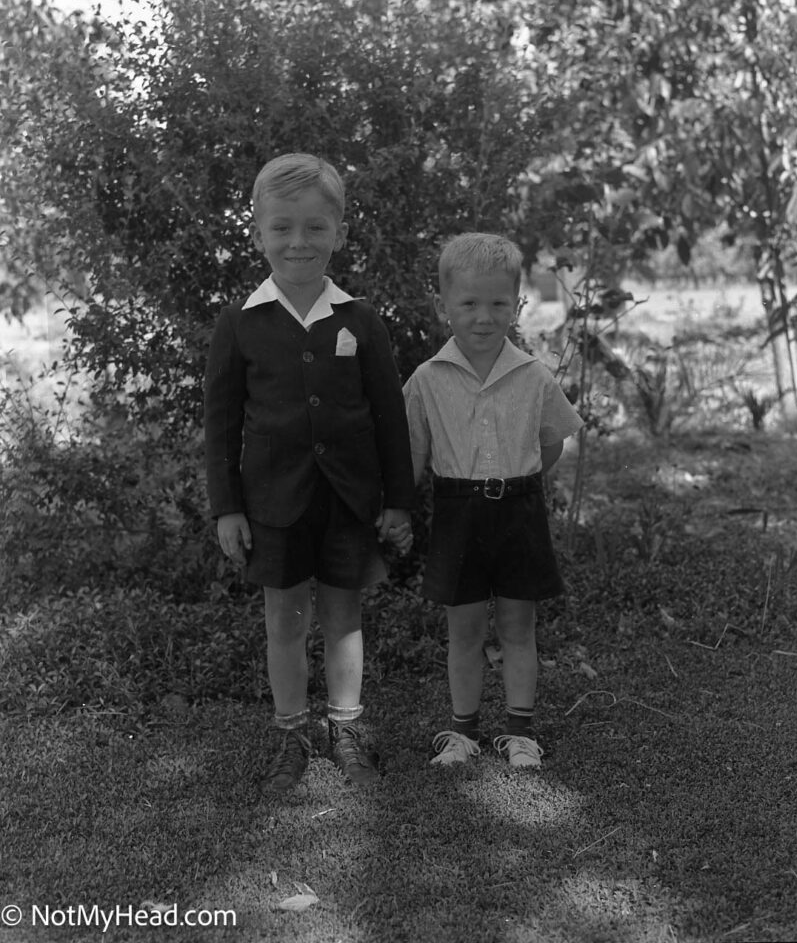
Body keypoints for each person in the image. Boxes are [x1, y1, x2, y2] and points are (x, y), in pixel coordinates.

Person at [204, 152, 415, 794]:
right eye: (282, 228)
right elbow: (221, 423)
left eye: (315, 228)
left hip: (350, 500)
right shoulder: (240, 323)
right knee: (284, 622)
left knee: (344, 618)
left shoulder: (361, 320)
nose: (299, 242)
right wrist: (228, 507)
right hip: (272, 502)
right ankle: (292, 732)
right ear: (259, 232)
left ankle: (346, 727)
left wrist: (399, 500)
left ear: (339, 232)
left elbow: (389, 417)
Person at [396, 232, 583, 769]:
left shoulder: (533, 376)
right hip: (458, 513)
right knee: (466, 630)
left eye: (499, 303)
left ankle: (520, 732)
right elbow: (411, 454)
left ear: (518, 305)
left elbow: (552, 442)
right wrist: (397, 511)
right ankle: (462, 733)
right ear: (443, 307)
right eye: (469, 303)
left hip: (519, 511)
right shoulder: (427, 380)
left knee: (519, 627)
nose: (484, 316)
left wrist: (516, 480)